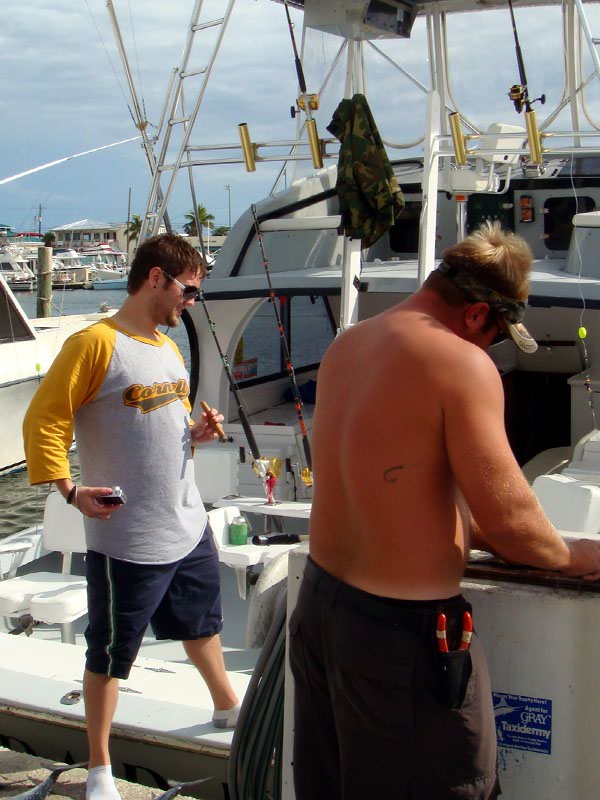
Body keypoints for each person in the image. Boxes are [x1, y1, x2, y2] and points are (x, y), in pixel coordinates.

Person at [289, 221, 600, 800]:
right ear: (478, 313)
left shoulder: (349, 345)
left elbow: (388, 496)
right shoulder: (460, 363)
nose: (489, 349)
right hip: (401, 643)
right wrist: (572, 555)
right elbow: (513, 522)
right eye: (496, 334)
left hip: (321, 610)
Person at [23, 234, 239, 800]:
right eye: (188, 290)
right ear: (156, 278)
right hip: (128, 537)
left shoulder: (167, 348)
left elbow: (160, 421)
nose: (191, 301)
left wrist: (195, 432)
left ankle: (225, 705)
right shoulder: (95, 344)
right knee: (111, 653)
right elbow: (45, 419)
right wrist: (70, 490)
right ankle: (99, 768)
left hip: (185, 522)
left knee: (202, 623)